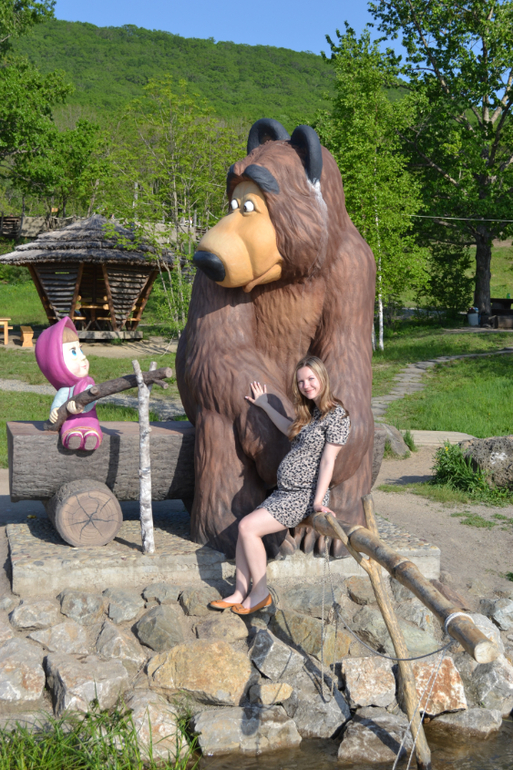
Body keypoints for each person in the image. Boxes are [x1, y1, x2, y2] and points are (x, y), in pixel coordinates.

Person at [210, 354, 350, 615]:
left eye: (311, 379)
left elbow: (328, 461)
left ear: (322, 378)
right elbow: (289, 429)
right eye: (301, 382)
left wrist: (317, 501)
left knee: (248, 528)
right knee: (244, 529)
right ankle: (239, 592)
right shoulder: (312, 413)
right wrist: (265, 405)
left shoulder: (337, 416)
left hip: (305, 495)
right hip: (286, 493)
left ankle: (260, 593)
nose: (306, 385)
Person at [35, 317, 102, 451]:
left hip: (88, 418)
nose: (83, 357)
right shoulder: (65, 390)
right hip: (70, 421)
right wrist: (55, 411)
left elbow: (92, 402)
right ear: (55, 362)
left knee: (91, 428)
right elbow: (58, 402)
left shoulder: (88, 384)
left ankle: (91, 436)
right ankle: (73, 437)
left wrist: (80, 408)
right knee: (70, 429)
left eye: (80, 350)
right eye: (73, 352)